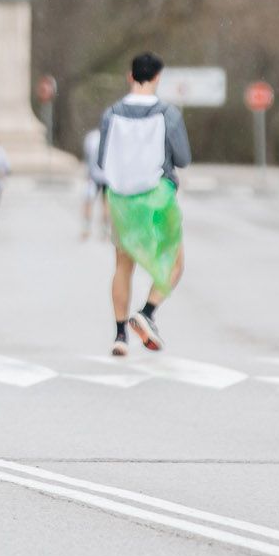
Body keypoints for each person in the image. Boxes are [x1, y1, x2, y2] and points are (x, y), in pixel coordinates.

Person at [96, 52, 191, 357]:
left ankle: (120, 334)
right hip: (157, 197)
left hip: (122, 199)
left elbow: (102, 159)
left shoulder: (111, 114)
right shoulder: (168, 113)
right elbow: (183, 158)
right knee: (174, 263)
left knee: (123, 266)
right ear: (158, 77)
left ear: (130, 76)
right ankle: (147, 312)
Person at [80, 124, 109, 240]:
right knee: (106, 202)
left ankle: (86, 228)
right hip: (107, 176)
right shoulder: (111, 137)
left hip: (94, 175)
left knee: (89, 201)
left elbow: (87, 157)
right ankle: (105, 230)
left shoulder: (91, 137)